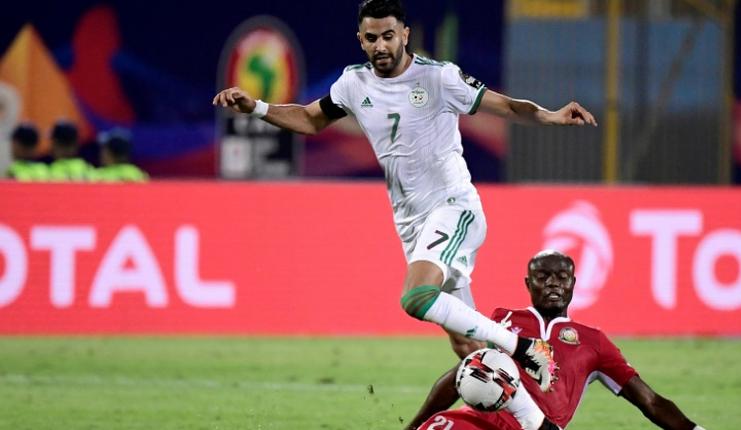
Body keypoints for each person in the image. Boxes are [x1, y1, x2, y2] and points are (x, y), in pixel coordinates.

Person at [214, 0, 596, 386]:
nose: (380, 46)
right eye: (371, 38)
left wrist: (550, 114)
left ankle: (525, 347)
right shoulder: (353, 83)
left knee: (416, 297)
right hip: (410, 221)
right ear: (360, 40)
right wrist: (258, 107)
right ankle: (530, 417)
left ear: (405, 35)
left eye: (388, 36)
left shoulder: (439, 78)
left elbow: (507, 106)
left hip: (453, 207)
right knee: (468, 347)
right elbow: (311, 120)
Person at [407, 250, 707, 430]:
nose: (553, 283)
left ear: (573, 284)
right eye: (543, 276)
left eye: (562, 277)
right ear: (528, 283)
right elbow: (467, 373)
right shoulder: (502, 320)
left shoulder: (594, 342)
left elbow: (650, 401)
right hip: (475, 420)